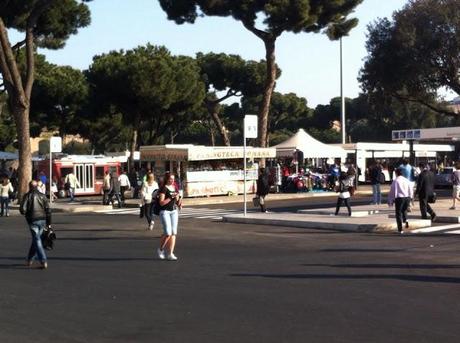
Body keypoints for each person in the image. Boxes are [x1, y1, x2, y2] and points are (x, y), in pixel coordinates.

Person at [20, 180, 51, 269]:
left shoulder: (27, 196)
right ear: (37, 186)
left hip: (33, 220)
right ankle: (29, 259)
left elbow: (23, 210)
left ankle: (43, 260)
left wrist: (27, 213)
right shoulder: (42, 196)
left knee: (37, 240)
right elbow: (48, 210)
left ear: (29, 186)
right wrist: (49, 223)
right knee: (36, 240)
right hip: (42, 220)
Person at [157, 172, 182, 261]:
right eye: (170, 179)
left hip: (174, 211)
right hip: (165, 212)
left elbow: (178, 199)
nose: (172, 180)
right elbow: (161, 202)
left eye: (173, 179)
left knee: (174, 233)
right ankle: (160, 249)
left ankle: (170, 253)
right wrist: (170, 198)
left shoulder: (175, 187)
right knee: (168, 233)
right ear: (166, 179)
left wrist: (179, 201)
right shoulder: (164, 188)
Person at [388, 168, 414, 234]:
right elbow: (410, 189)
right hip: (407, 197)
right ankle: (406, 220)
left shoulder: (396, 181)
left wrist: (391, 200)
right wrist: (411, 198)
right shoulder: (406, 180)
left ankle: (400, 229)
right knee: (404, 210)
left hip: (399, 198)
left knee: (398, 213)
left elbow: (392, 191)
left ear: (396, 173)